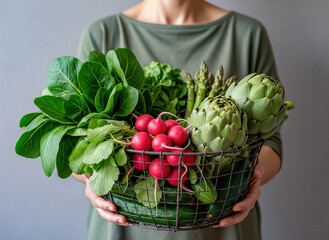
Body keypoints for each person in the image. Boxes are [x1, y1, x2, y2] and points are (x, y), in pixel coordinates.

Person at [73, 0, 283, 239]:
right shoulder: (103, 33)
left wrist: (251, 176)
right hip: (124, 228)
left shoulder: (247, 35)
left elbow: (271, 143)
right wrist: (91, 179)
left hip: (221, 225)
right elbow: (78, 146)